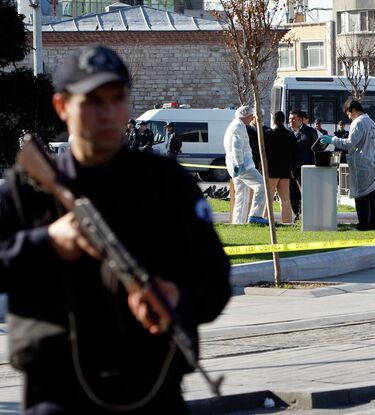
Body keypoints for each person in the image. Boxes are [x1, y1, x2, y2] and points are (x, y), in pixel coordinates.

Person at [0, 44, 231, 414]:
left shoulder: (166, 184)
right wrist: (48, 242)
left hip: (150, 389)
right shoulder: (26, 193)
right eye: (92, 101)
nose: (107, 113)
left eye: (117, 99)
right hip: (57, 394)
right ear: (62, 107)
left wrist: (176, 296)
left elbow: (214, 277)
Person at [321, 98, 375, 231]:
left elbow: (350, 143)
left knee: (361, 195)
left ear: (353, 110)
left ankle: (363, 224)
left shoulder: (358, 123)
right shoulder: (370, 121)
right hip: (373, 162)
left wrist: (333, 140)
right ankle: (374, 224)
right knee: (372, 195)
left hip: (362, 164)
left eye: (348, 113)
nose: (348, 117)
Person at [224, 105, 268, 225]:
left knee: (241, 196)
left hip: (235, 165)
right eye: (251, 116)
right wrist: (240, 164)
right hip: (243, 165)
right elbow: (236, 147)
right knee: (262, 184)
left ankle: (238, 222)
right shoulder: (239, 127)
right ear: (247, 116)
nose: (252, 118)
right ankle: (256, 215)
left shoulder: (235, 125)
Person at [263, 111, 297, 224]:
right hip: (285, 171)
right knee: (285, 200)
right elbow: (293, 152)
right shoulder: (290, 134)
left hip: (271, 171)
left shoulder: (267, 134)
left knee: (269, 199)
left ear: (273, 120)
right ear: (284, 120)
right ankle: (287, 222)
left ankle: (265, 220)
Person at [288, 109, 318, 221]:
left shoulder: (310, 132)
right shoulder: (288, 133)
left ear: (300, 119)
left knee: (305, 193)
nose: (291, 121)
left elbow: (315, 151)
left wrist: (314, 167)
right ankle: (296, 214)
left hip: (306, 169)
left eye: (293, 118)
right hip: (291, 170)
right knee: (292, 194)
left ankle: (306, 215)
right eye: (290, 119)